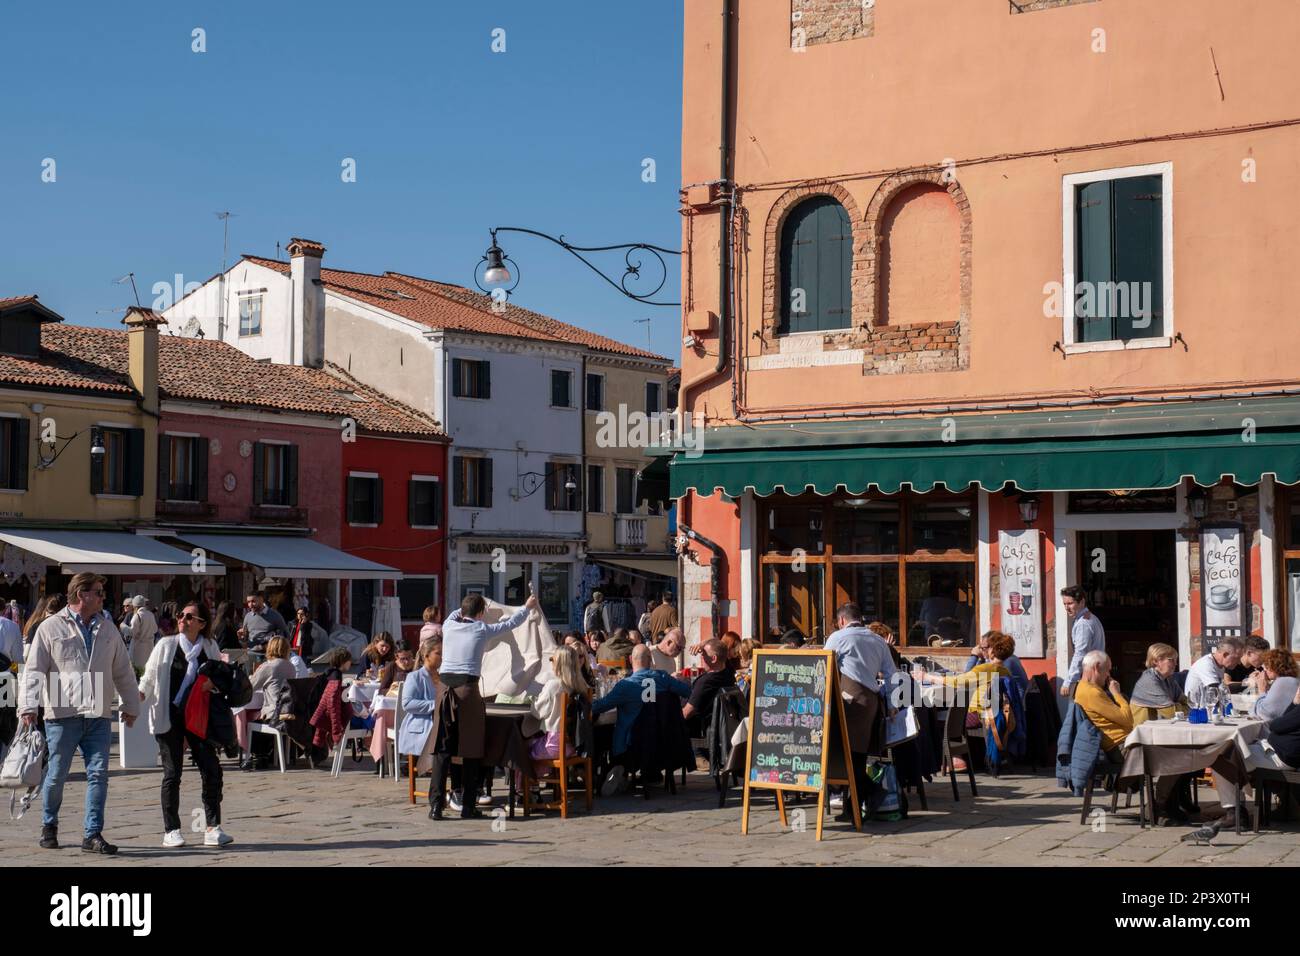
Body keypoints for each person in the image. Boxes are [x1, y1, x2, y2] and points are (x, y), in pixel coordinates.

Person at [18, 573, 140, 854]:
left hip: (97, 713)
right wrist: (28, 706)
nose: (103, 597)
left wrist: (130, 705)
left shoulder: (108, 628)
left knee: (98, 774)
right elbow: (34, 669)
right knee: (57, 774)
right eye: (97, 592)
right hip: (62, 712)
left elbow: (122, 669)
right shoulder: (50, 627)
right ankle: (49, 825)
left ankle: (92, 833)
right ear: (80, 595)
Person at [433, 592, 538, 818]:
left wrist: (467, 608)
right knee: (471, 748)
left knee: (442, 749)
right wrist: (527, 606)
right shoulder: (481, 629)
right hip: (467, 690)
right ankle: (468, 807)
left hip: (444, 689)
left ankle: (435, 805)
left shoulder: (449, 625)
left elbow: (455, 613)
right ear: (480, 614)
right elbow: (512, 623)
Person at [139, 601, 232, 847]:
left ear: (201, 624)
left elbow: (221, 675)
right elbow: (149, 676)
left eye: (190, 617)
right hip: (168, 716)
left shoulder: (209, 647)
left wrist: (212, 684)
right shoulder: (166, 645)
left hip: (199, 717)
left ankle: (212, 827)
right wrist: (135, 698)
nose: (183, 619)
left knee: (211, 769)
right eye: (181, 615)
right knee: (173, 773)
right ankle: (171, 830)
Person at [1074, 650, 1187, 824]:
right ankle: (1157, 807)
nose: (1108, 675)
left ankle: (1167, 805)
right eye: (1107, 670)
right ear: (1096, 667)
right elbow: (1128, 719)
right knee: (1176, 757)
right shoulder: (1092, 692)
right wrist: (1117, 693)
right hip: (1120, 748)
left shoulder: (1088, 689)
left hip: (1125, 742)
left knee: (1176, 754)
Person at [825, 603, 898, 818]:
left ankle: (871, 791)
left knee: (843, 753)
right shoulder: (877, 640)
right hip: (871, 702)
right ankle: (852, 807)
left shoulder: (838, 638)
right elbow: (892, 674)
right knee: (857, 755)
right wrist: (893, 705)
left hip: (849, 701)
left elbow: (822, 668)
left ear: (841, 620)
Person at [591, 644, 692, 795]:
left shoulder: (625, 685)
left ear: (631, 659)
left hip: (632, 745)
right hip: (663, 742)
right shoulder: (663, 677)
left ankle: (613, 769)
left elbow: (600, 707)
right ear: (650, 660)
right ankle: (648, 773)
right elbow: (686, 691)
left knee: (602, 735)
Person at [526, 644, 591, 781]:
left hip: (555, 745)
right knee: (536, 743)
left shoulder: (553, 686)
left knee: (522, 749)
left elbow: (537, 712)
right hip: (575, 743)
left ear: (558, 663)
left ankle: (524, 790)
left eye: (552, 660)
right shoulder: (582, 686)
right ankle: (536, 787)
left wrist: (532, 700)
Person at [400, 634, 447, 819]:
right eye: (439, 653)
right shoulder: (415, 677)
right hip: (423, 725)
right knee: (442, 746)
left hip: (440, 725)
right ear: (427, 655)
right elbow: (408, 703)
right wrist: (434, 705)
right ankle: (439, 797)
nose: (442, 657)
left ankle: (462, 790)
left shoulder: (444, 676)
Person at [242, 636, 299, 771]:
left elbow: (251, 686)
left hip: (274, 712)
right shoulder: (291, 666)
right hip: (287, 711)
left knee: (251, 719)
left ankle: (258, 755)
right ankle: (270, 753)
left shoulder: (268, 666)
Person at [1060, 584, 1105, 697]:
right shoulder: (1089, 618)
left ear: (1081, 602)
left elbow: (1080, 654)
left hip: (1089, 678)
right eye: (1064, 604)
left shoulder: (1083, 624)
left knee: (1076, 712)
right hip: (1093, 677)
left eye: (1070, 603)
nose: (1066, 607)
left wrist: (1068, 682)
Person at [309, 647, 355, 756]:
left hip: (318, 709)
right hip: (326, 712)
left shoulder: (329, 672)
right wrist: (336, 729)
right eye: (349, 660)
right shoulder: (336, 676)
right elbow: (333, 701)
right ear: (343, 662)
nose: (351, 663)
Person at [1130, 643, 1188, 724]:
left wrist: (1177, 706)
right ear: (1156, 661)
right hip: (1145, 731)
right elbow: (1171, 713)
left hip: (1159, 727)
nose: (1175, 664)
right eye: (1171, 660)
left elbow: (1186, 701)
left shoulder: (1168, 678)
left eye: (1176, 660)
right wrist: (1179, 706)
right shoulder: (1149, 680)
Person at [961, 628, 1029, 693]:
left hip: (1014, 703)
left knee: (963, 699)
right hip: (1007, 701)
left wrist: (974, 656)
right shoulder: (1007, 657)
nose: (981, 650)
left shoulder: (1006, 661)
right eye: (980, 647)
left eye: (983, 648)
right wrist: (981, 659)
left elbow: (967, 682)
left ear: (993, 647)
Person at [1184, 637, 1244, 706]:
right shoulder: (1206, 664)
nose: (1239, 662)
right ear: (1225, 655)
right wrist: (1247, 685)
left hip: (1208, 707)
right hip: (1198, 710)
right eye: (1237, 658)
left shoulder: (1220, 665)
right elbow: (1215, 692)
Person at [1248, 649, 1299, 723]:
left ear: (1274, 667)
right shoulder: (1292, 680)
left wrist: (1262, 690)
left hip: (1284, 731)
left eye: (1266, 666)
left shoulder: (1283, 682)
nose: (1264, 670)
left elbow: (1265, 714)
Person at [122, 595, 158, 672]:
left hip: (138, 648)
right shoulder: (150, 615)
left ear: (135, 606)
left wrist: (123, 627)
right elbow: (155, 629)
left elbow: (132, 632)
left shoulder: (137, 616)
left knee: (136, 671)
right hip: (149, 646)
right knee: (146, 669)